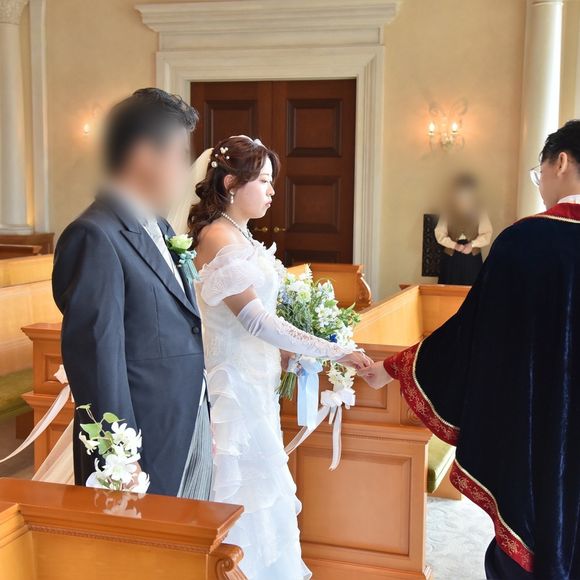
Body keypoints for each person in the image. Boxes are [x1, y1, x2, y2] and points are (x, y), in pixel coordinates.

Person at [358, 120, 580, 579]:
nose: (540, 185)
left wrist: (395, 367)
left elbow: (471, 334)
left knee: (534, 533)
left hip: (538, 429)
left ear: (560, 162)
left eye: (539, 174)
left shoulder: (526, 241)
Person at [183, 135, 371, 579]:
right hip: (231, 387)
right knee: (239, 487)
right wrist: (335, 351)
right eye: (264, 180)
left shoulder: (239, 233)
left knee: (263, 492)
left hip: (256, 381)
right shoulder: (217, 237)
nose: (272, 191)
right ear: (231, 183)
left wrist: (287, 353)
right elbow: (255, 321)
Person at [52, 88, 211, 499]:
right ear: (143, 155)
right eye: (179, 155)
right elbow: (96, 359)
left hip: (185, 421)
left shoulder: (160, 226)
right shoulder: (95, 235)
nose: (186, 170)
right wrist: (118, 459)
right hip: (141, 444)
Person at [434, 173, 492, 285]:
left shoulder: (479, 209)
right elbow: (439, 233)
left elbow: (487, 234)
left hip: (472, 257)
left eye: (467, 191)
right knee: (449, 287)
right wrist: (454, 245)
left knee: (472, 289)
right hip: (451, 256)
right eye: (461, 190)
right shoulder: (448, 209)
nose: (464, 194)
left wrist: (472, 244)